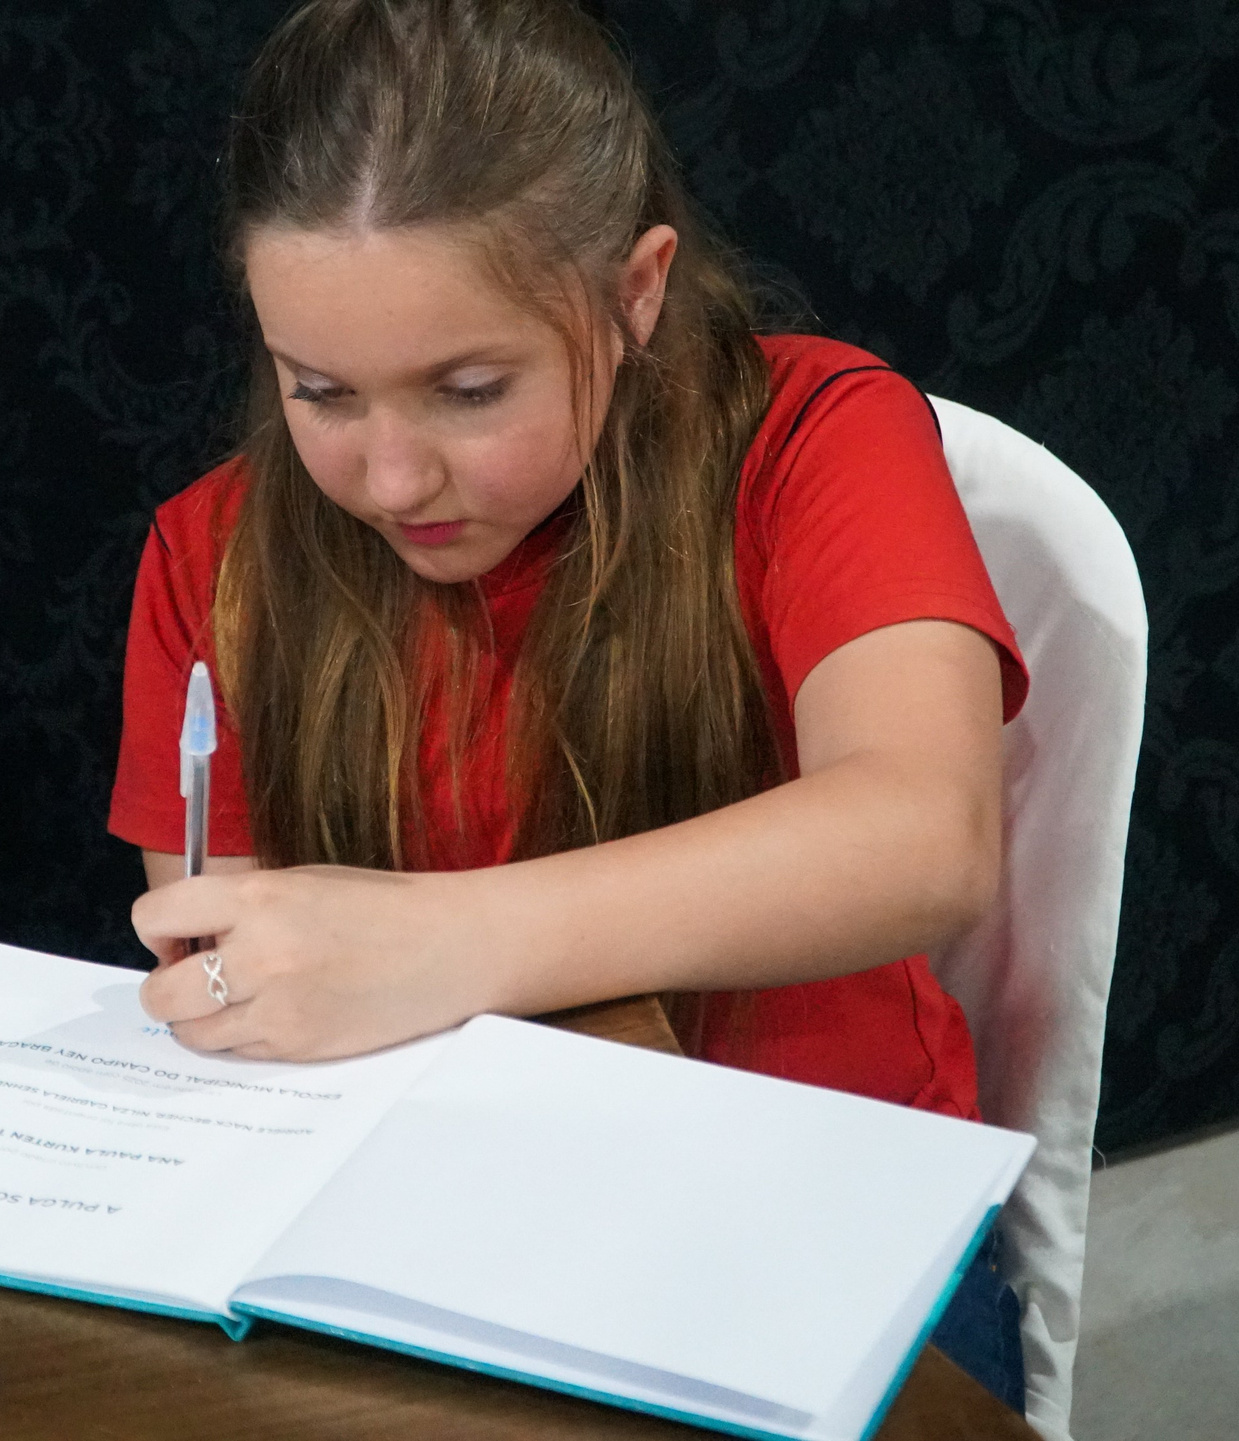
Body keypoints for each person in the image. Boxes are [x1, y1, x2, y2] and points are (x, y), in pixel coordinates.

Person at [107, 0, 1028, 1408]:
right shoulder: (213, 554)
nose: (395, 478)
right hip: (415, 1252)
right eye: (321, 392)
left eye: (472, 390)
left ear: (637, 291)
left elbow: (923, 834)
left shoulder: (815, 438)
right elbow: (241, 980)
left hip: (815, 1213)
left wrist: (443, 945)